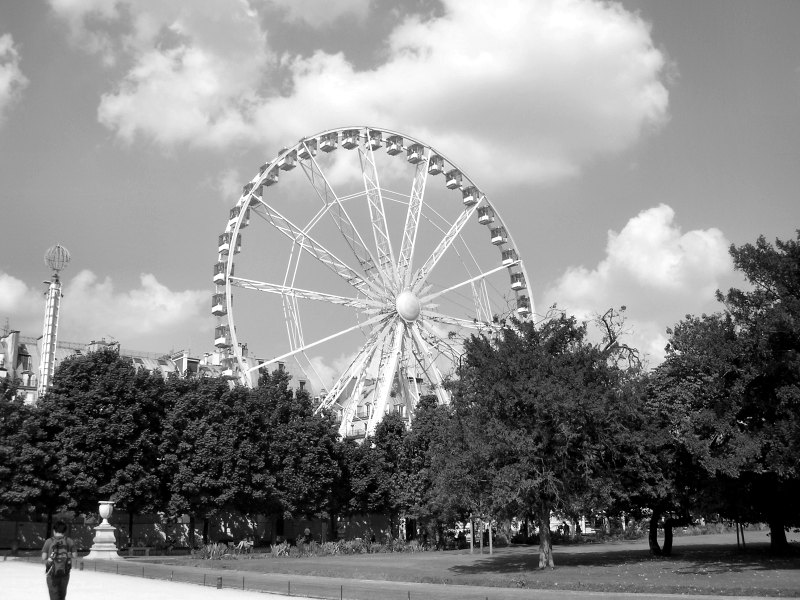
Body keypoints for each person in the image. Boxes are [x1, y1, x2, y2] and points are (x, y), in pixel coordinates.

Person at [41, 520, 78, 600]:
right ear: (65, 531)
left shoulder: (49, 541)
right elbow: (75, 556)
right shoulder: (69, 541)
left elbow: (43, 557)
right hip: (65, 573)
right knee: (62, 596)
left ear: (54, 530)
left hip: (52, 573)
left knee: (54, 596)